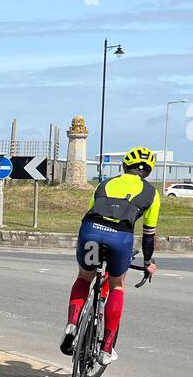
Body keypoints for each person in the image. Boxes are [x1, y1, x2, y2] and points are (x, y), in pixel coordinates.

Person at [60, 146, 160, 365]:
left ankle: (72, 324)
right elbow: (149, 234)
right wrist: (148, 262)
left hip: (91, 231)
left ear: (124, 166)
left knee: (85, 277)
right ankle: (106, 349)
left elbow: (92, 210)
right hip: (120, 238)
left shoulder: (104, 184)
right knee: (116, 285)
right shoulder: (152, 193)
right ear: (148, 172)